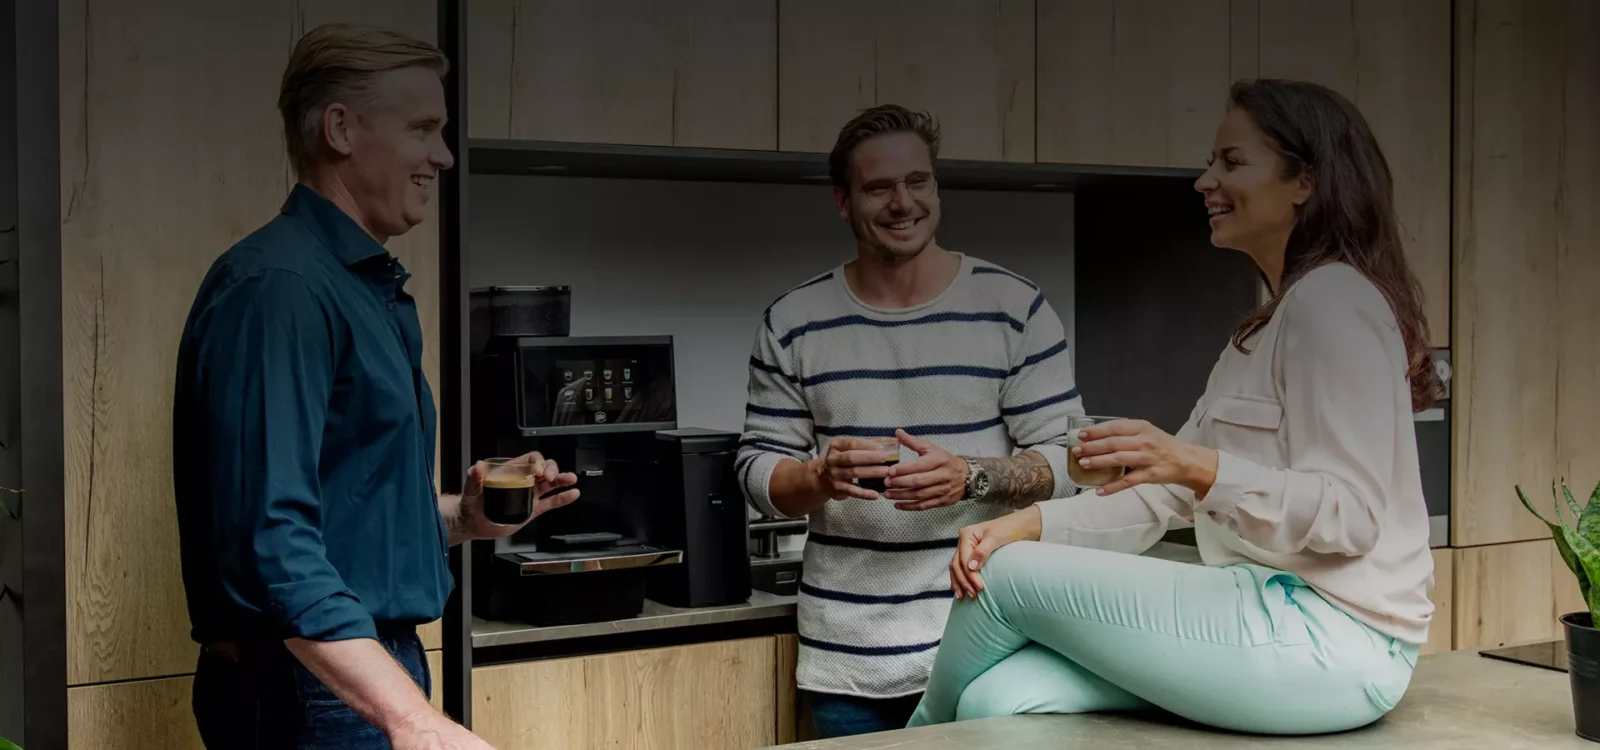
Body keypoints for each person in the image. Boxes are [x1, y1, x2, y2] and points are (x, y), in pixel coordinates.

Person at [904, 78, 1445, 736]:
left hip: (1333, 636)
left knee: (1006, 578)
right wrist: (1025, 523)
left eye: (1232, 161)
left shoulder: (1333, 303)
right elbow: (1162, 496)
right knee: (997, 698)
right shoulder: (1265, 329)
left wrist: (1196, 465)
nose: (1205, 181)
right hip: (1268, 618)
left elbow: (1351, 517)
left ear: (1304, 180)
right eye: (1212, 161)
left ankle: (909, 742)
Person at [171, 24, 578, 749]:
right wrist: (411, 718)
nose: (443, 155)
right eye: (422, 129)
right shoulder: (281, 288)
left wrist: (460, 518)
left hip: (354, 674)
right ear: (340, 130)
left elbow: (339, 512)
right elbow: (272, 542)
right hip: (310, 686)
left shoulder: (356, 286)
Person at [735, 104, 1087, 738]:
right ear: (843, 202)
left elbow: (1072, 463)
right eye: (878, 188)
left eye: (917, 181)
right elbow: (758, 470)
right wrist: (820, 476)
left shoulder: (1013, 309)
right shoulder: (794, 323)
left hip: (988, 645)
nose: (903, 203)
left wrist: (971, 476)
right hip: (848, 660)